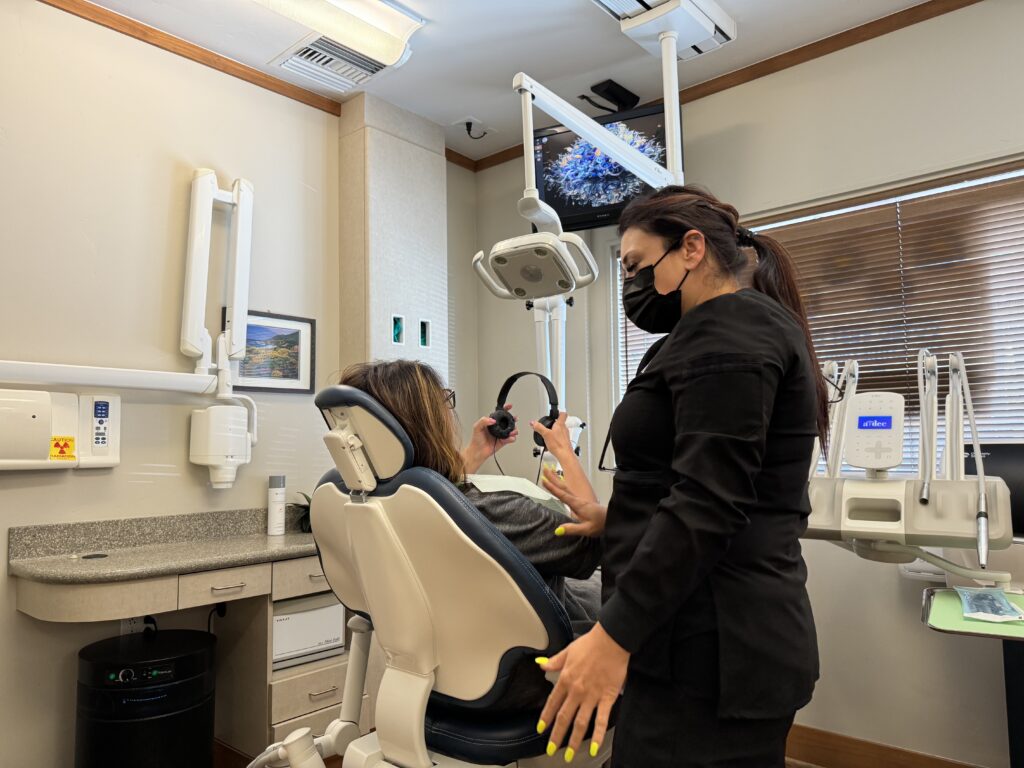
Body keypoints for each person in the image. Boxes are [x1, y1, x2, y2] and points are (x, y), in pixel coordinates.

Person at [532, 185, 827, 767]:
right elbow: (702, 481)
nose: (633, 285)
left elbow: (709, 505)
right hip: (687, 634)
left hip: (715, 645)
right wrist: (611, 517)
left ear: (691, 248)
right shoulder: (699, 336)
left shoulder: (730, 332)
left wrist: (613, 636)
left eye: (638, 265)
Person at [337, 359, 602, 708]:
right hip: (525, 681)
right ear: (428, 422)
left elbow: (431, 495)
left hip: (434, 681)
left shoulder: (366, 506)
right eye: (445, 402)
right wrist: (565, 453)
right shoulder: (502, 513)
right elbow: (591, 539)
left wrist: (474, 455)